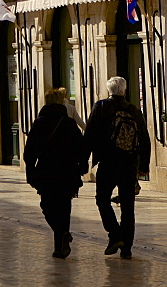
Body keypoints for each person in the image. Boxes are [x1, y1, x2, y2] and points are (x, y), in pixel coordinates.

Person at [84, 75, 151, 259]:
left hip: (108, 162)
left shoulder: (102, 107)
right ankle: (127, 248)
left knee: (102, 199)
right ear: (124, 90)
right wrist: (144, 166)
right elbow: (145, 139)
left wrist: (83, 161)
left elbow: (89, 135)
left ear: (109, 90)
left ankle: (115, 235)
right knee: (128, 207)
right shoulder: (134, 111)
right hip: (129, 163)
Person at [24, 88, 88, 259]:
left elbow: (29, 151)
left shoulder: (40, 122)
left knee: (47, 206)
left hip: (47, 172)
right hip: (68, 172)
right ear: (60, 102)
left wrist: (30, 172)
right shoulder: (68, 123)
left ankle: (60, 241)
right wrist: (83, 166)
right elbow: (81, 147)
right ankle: (62, 237)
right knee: (64, 207)